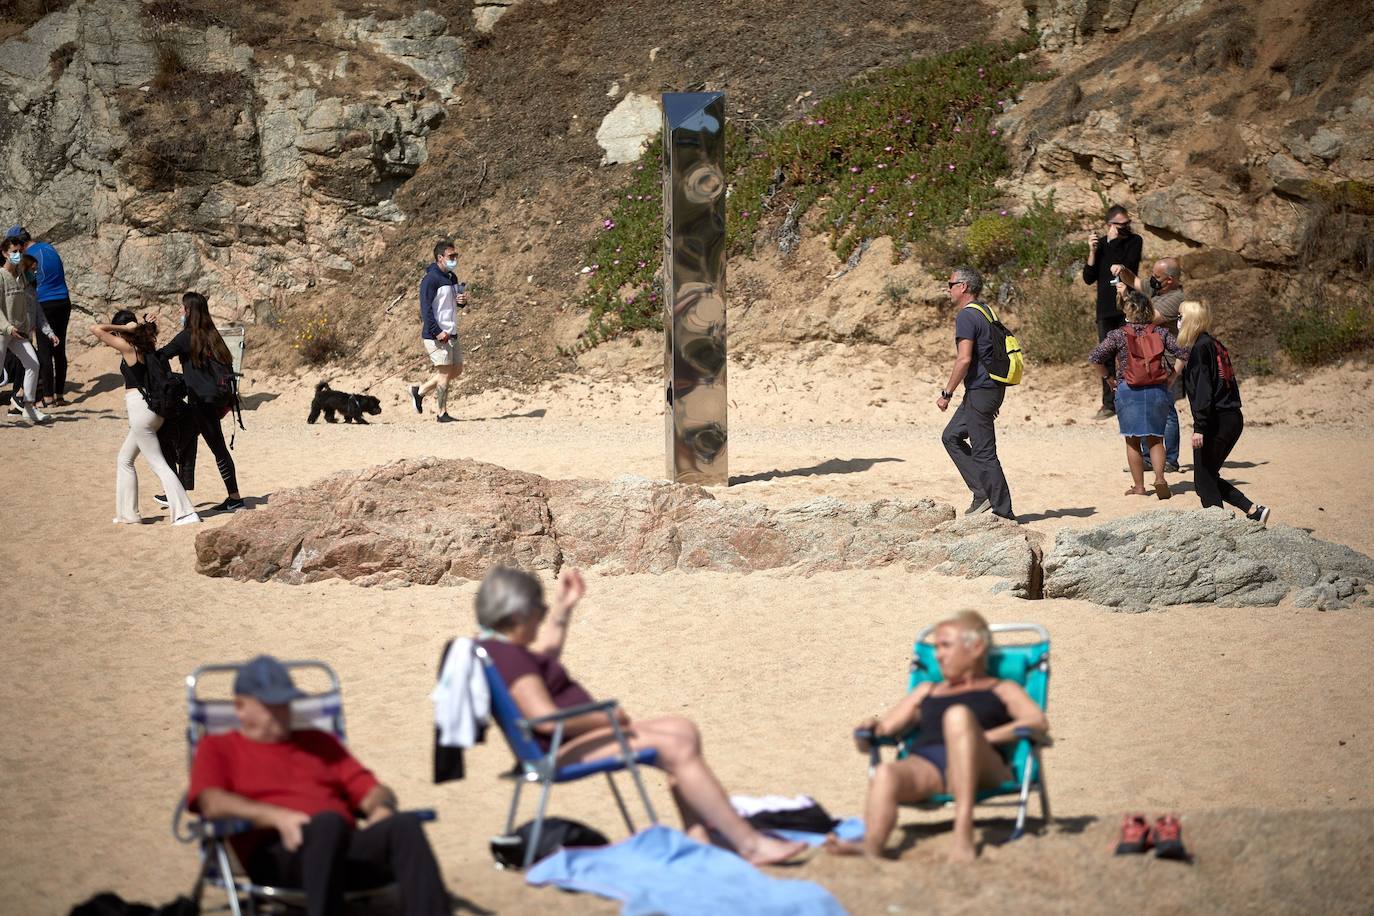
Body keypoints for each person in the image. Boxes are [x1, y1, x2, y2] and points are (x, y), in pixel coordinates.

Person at [473, 566, 808, 866]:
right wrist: (606, 719)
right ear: (518, 615)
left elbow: (543, 660)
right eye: (540, 610)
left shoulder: (499, 649)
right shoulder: (511, 658)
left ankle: (699, 837)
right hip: (556, 751)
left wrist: (563, 607)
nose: (543, 617)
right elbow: (544, 719)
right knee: (676, 746)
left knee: (681, 728)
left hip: (558, 744)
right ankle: (750, 845)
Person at [188, 655, 450, 916]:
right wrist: (276, 817)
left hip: (342, 849)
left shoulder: (319, 742)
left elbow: (370, 788)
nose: (283, 711)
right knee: (327, 823)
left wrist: (380, 806)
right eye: (272, 704)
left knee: (404, 825)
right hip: (280, 857)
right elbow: (210, 801)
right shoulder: (219, 748)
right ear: (240, 706)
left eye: (286, 702)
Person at [834, 611, 1048, 862]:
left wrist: (981, 738)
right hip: (931, 768)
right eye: (935, 647)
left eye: (945, 645)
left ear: (976, 647)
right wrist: (870, 729)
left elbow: (1037, 722)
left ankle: (963, 832)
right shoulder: (927, 689)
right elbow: (884, 730)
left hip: (984, 766)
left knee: (957, 716)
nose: (938, 655)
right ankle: (872, 845)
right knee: (885, 773)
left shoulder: (1002, 689)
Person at [90, 310, 199, 525]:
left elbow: (96, 329)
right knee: (124, 459)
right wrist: (138, 326)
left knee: (158, 463)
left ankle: (186, 512)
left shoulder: (128, 348)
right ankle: (128, 514)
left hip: (141, 411)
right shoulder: (146, 345)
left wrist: (125, 328)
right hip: (152, 411)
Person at [1089, 289, 1189, 499]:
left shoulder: (1118, 334)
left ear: (1127, 312)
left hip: (1128, 390)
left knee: (1132, 440)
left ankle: (1139, 487)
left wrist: (1108, 378)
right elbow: (1183, 352)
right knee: (1156, 439)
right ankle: (1160, 478)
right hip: (1157, 389)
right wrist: (1172, 377)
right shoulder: (1160, 332)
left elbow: (1095, 357)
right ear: (1149, 311)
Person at [1178, 299, 1270, 525]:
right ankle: (1253, 510)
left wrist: (1200, 427)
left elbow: (1203, 392)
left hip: (1216, 420)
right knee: (1207, 475)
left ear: (1190, 319)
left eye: (1180, 316)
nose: (1177, 321)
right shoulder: (1212, 343)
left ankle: (1218, 527)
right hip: (1231, 418)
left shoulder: (1200, 348)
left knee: (1203, 481)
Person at [936, 266, 1014, 520]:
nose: (948, 289)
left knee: (984, 452)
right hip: (988, 390)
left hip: (982, 391)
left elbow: (964, 359)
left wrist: (946, 394)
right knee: (951, 436)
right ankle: (981, 493)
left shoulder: (967, 317)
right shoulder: (986, 311)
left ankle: (1004, 512)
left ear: (963, 287)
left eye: (950, 284)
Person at [156, 291, 244, 513]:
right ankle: (178, 492)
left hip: (200, 403)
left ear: (188, 311)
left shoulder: (186, 337)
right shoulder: (212, 334)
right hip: (214, 402)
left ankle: (234, 498)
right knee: (184, 441)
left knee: (175, 439)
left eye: (182, 309)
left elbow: (159, 356)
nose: (179, 312)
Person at [1113, 257, 1186, 471]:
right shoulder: (1157, 290)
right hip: (1149, 360)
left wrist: (1125, 297)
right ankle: (1149, 459)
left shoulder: (1175, 299)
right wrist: (1122, 269)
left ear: (1170, 280)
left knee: (1167, 412)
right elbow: (1135, 281)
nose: (1152, 280)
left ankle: (1170, 459)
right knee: (1148, 410)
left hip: (1166, 363)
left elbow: (1144, 319)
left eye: (1157, 277)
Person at [1082, 206, 1144, 420]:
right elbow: (1088, 277)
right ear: (1110, 225)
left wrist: (1114, 241)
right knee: (1106, 355)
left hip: (1128, 306)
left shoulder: (1134, 241)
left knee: (1131, 354)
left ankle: (1133, 400)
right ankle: (1109, 403)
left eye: (1128, 223)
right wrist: (1092, 251)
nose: (1127, 227)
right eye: (1121, 225)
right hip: (1106, 309)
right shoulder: (1101, 246)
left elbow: (1127, 266)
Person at [6, 226, 72, 407]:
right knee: (60, 349)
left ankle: (48, 398)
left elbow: (27, 283)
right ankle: (59, 395)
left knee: (44, 351)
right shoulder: (49, 248)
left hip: (44, 303)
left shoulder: (25, 258)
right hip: (64, 301)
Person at [409, 240, 468, 423]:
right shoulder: (430, 280)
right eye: (451, 256)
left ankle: (419, 392)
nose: (454, 259)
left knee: (456, 370)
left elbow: (452, 304)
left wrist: (462, 301)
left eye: (455, 256)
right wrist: (437, 332)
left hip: (452, 332)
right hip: (437, 335)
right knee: (444, 373)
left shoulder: (452, 278)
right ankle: (441, 413)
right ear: (440, 257)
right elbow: (426, 310)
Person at [0, 237, 51, 425]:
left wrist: (23, 326)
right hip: (3, 331)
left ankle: (29, 407)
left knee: (33, 364)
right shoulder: (0, 276)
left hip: (17, 332)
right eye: (13, 252)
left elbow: (27, 304)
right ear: (5, 253)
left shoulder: (21, 276)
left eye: (19, 251)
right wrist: (7, 327)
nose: (17, 255)